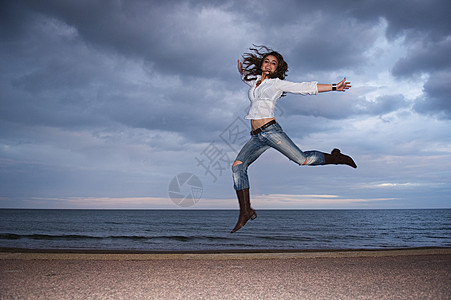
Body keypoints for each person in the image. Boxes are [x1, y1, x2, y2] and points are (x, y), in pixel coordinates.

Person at [231, 45, 357, 233]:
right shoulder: (255, 81)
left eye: (274, 63)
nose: (269, 65)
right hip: (256, 137)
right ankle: (245, 211)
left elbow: (304, 88)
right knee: (238, 166)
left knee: (302, 160)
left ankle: (337, 157)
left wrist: (333, 87)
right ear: (262, 64)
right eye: (267, 61)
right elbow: (246, 79)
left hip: (271, 132)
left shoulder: (277, 83)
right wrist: (242, 72)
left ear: (277, 68)